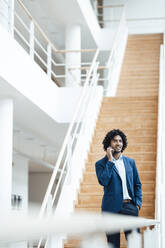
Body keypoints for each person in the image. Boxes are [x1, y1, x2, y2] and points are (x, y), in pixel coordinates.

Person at [95, 129, 142, 248]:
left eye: (120, 141)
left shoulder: (130, 162)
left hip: (130, 207)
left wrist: (137, 203)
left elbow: (137, 184)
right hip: (110, 208)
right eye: (115, 141)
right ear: (109, 144)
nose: (118, 143)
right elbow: (103, 181)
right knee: (113, 244)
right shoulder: (101, 164)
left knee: (134, 242)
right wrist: (110, 161)